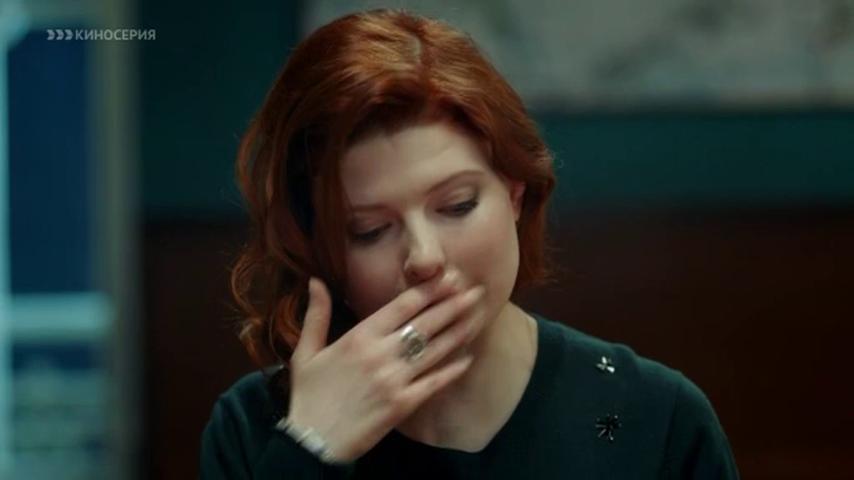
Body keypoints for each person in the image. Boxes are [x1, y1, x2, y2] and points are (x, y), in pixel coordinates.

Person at [200, 8, 739, 479]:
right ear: (319, 249)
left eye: (457, 206)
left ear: (515, 192)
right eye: (370, 231)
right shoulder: (254, 428)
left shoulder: (656, 418)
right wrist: (310, 451)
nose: (425, 258)